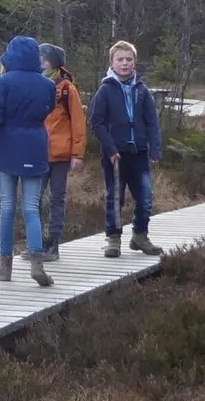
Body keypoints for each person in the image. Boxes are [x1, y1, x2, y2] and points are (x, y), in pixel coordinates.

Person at [0, 36, 57, 287]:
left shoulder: (4, 82)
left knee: (7, 207)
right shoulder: (47, 84)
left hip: (8, 147)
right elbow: (48, 109)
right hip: (36, 147)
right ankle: (37, 264)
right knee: (32, 208)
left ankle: (5, 267)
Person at [90, 40, 165, 258]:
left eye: (128, 59)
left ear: (135, 62)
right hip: (115, 155)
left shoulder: (142, 90)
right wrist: (110, 147)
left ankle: (140, 236)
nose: (124, 64)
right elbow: (97, 122)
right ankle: (113, 239)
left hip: (139, 153)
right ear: (112, 63)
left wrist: (155, 149)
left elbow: (152, 122)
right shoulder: (105, 90)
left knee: (145, 197)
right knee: (115, 198)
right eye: (120, 60)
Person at [38, 42, 87, 261]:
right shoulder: (34, 84)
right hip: (36, 154)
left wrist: (77, 154)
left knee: (57, 199)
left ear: (54, 63)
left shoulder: (67, 89)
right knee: (33, 200)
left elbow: (78, 122)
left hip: (60, 155)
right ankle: (36, 244)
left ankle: (53, 244)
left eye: (44, 58)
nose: (40, 62)